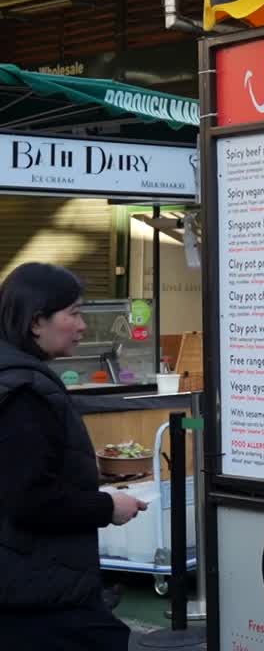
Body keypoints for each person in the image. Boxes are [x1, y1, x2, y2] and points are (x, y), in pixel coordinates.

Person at [0, 263, 148, 651]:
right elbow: (29, 498)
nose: (83, 326)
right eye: (75, 313)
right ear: (36, 322)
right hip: (39, 594)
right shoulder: (25, 394)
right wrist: (107, 506)